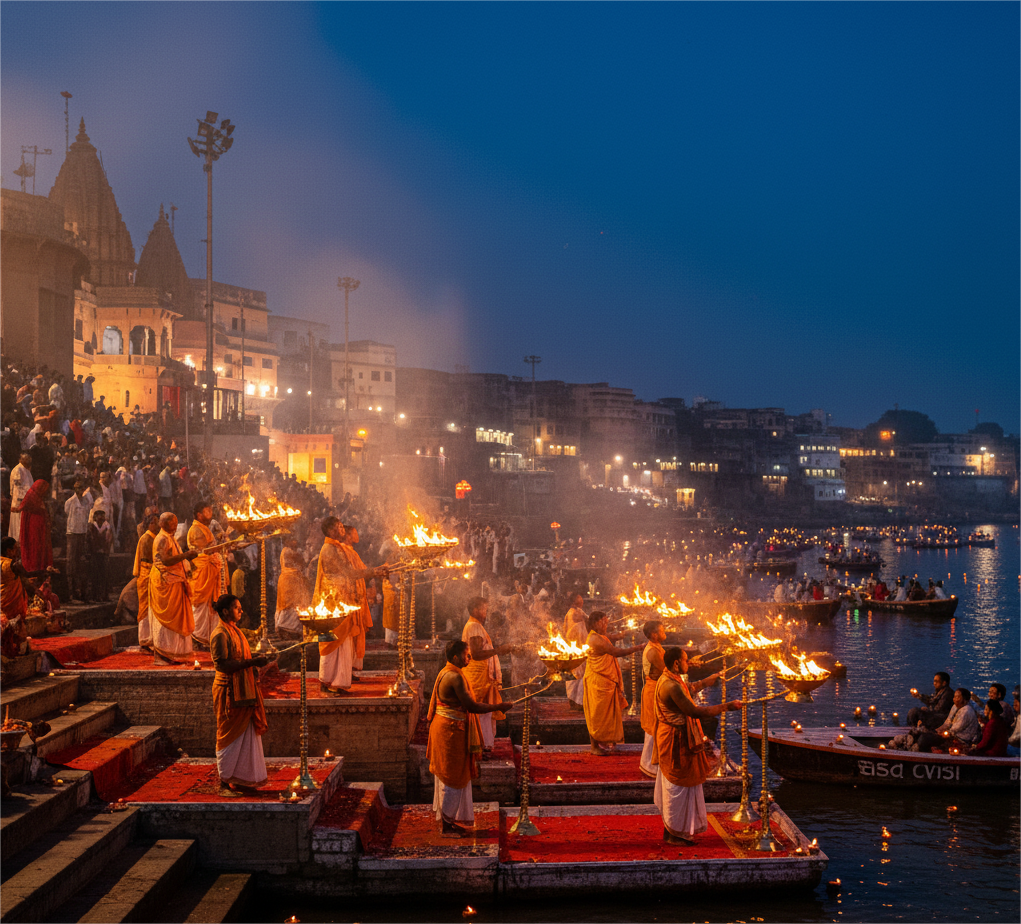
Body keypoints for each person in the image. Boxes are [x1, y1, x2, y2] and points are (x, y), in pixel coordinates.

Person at [655, 646, 741, 846]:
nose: (689, 664)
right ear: (676, 663)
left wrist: (706, 681)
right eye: (686, 660)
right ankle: (675, 834)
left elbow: (689, 689)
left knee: (682, 785)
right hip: (676, 740)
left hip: (680, 736)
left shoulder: (672, 678)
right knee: (679, 786)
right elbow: (694, 711)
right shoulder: (671, 685)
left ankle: (674, 831)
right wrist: (726, 706)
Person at [426, 639, 513, 837]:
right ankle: (446, 827)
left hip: (448, 728)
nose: (470, 658)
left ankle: (448, 820)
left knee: (452, 776)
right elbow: (471, 706)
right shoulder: (454, 677)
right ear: (456, 657)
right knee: (453, 777)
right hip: (450, 732)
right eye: (467, 655)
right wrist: (497, 707)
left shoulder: (449, 671)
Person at [210, 593, 271, 794]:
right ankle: (225, 779)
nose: (241, 610)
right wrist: (253, 662)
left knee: (246, 735)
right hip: (228, 691)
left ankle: (244, 779)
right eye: (237, 608)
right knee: (228, 735)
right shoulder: (220, 634)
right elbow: (223, 665)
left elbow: (239, 656)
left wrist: (256, 658)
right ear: (226, 611)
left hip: (244, 690)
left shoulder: (234, 630)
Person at [313, 518, 382, 687]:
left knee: (344, 642)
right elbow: (349, 573)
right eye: (339, 527)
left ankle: (339, 681)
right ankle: (327, 680)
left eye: (342, 527)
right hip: (333, 601)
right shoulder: (329, 549)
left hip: (342, 599)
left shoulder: (336, 547)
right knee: (334, 641)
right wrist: (373, 571)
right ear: (330, 531)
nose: (343, 529)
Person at [583, 610, 643, 755]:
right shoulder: (594, 639)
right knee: (597, 714)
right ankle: (595, 746)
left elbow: (614, 637)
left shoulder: (599, 636)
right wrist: (638, 648)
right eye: (604, 623)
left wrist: (629, 632)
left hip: (605, 681)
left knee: (605, 714)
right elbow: (615, 652)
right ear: (596, 623)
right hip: (598, 681)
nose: (606, 626)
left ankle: (605, 741)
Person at [461, 595, 515, 754]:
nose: (486, 612)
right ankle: (481, 747)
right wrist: (499, 650)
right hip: (479, 675)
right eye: (484, 609)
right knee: (482, 710)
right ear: (475, 610)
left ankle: (483, 745)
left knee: (485, 711)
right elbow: (476, 654)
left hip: (481, 674)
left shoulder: (475, 625)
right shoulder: (474, 626)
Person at [149, 512, 199, 665]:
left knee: (178, 618)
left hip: (175, 581)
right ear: (164, 524)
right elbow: (165, 561)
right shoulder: (162, 539)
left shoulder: (169, 537)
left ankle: (175, 653)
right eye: (173, 523)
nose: (176, 525)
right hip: (166, 582)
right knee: (167, 621)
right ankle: (164, 654)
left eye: (176, 522)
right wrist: (185, 556)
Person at [187, 502, 227, 650]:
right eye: (207, 510)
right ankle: (197, 638)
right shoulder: (195, 529)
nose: (210, 512)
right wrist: (223, 545)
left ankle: (209, 638)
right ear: (199, 514)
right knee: (201, 607)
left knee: (211, 606)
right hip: (203, 571)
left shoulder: (203, 528)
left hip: (210, 570)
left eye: (211, 509)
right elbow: (205, 551)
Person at [639, 619, 667, 778]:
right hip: (653, 690)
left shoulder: (657, 647)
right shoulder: (653, 651)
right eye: (662, 631)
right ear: (654, 635)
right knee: (653, 727)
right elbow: (666, 669)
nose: (665, 633)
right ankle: (649, 765)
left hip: (657, 689)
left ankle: (652, 763)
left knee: (657, 726)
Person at [915, 688, 980, 753]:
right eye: (954, 696)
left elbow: (956, 729)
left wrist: (941, 733)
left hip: (960, 740)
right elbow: (948, 722)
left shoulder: (967, 711)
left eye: (958, 697)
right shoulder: (955, 706)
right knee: (922, 733)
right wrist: (937, 730)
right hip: (950, 735)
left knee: (925, 738)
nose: (954, 699)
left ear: (965, 700)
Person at [132, 512, 160, 651]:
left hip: (153, 574)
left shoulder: (155, 537)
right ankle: (144, 640)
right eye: (154, 522)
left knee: (153, 608)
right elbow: (148, 559)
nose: (157, 525)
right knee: (144, 608)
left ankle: (152, 638)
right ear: (149, 524)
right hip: (146, 574)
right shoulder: (146, 538)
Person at [274, 536, 309, 640]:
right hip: (289, 581)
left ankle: (294, 627)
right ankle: (286, 626)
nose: (296, 541)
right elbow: (301, 562)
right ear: (287, 541)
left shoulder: (290, 551)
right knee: (289, 604)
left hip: (293, 579)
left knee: (295, 602)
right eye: (293, 539)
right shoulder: (287, 551)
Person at [63, 481, 92, 603]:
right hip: (72, 533)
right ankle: (72, 594)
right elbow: (66, 513)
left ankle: (82, 593)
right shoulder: (70, 502)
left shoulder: (86, 501)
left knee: (81, 563)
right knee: (72, 562)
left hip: (82, 533)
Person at [16, 479, 53, 573]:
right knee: (35, 547)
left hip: (40, 528)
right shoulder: (31, 497)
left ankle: (41, 566)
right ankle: (35, 567)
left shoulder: (37, 497)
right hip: (34, 528)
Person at [562, 592, 587, 711]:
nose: (581, 600)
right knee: (575, 675)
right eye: (579, 598)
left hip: (582, 648)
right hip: (574, 648)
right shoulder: (573, 613)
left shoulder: (580, 611)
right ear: (573, 602)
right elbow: (581, 619)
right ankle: (574, 701)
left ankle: (579, 701)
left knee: (581, 676)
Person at [8, 452, 32, 541]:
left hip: (25, 501)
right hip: (19, 502)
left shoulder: (25, 469)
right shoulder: (18, 470)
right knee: (18, 525)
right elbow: (18, 488)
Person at [381, 573, 399, 647]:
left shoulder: (398, 584)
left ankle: (396, 641)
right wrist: (395, 589)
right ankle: (390, 642)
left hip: (397, 609)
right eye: (392, 576)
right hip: (389, 607)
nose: (394, 578)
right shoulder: (386, 583)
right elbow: (389, 591)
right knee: (389, 625)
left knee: (397, 624)